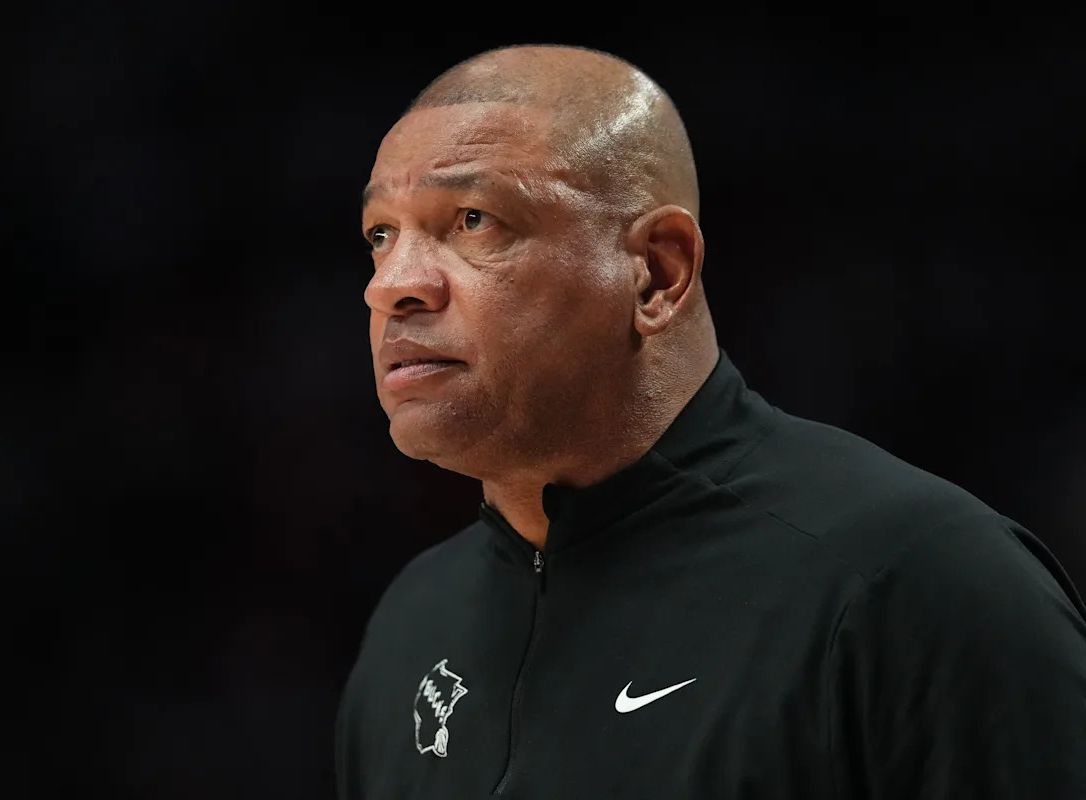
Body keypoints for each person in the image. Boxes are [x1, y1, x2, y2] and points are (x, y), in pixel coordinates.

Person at [336, 44, 1086, 798]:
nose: (392, 286)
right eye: (381, 235)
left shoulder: (918, 586)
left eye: (473, 220)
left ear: (659, 272)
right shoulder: (411, 628)